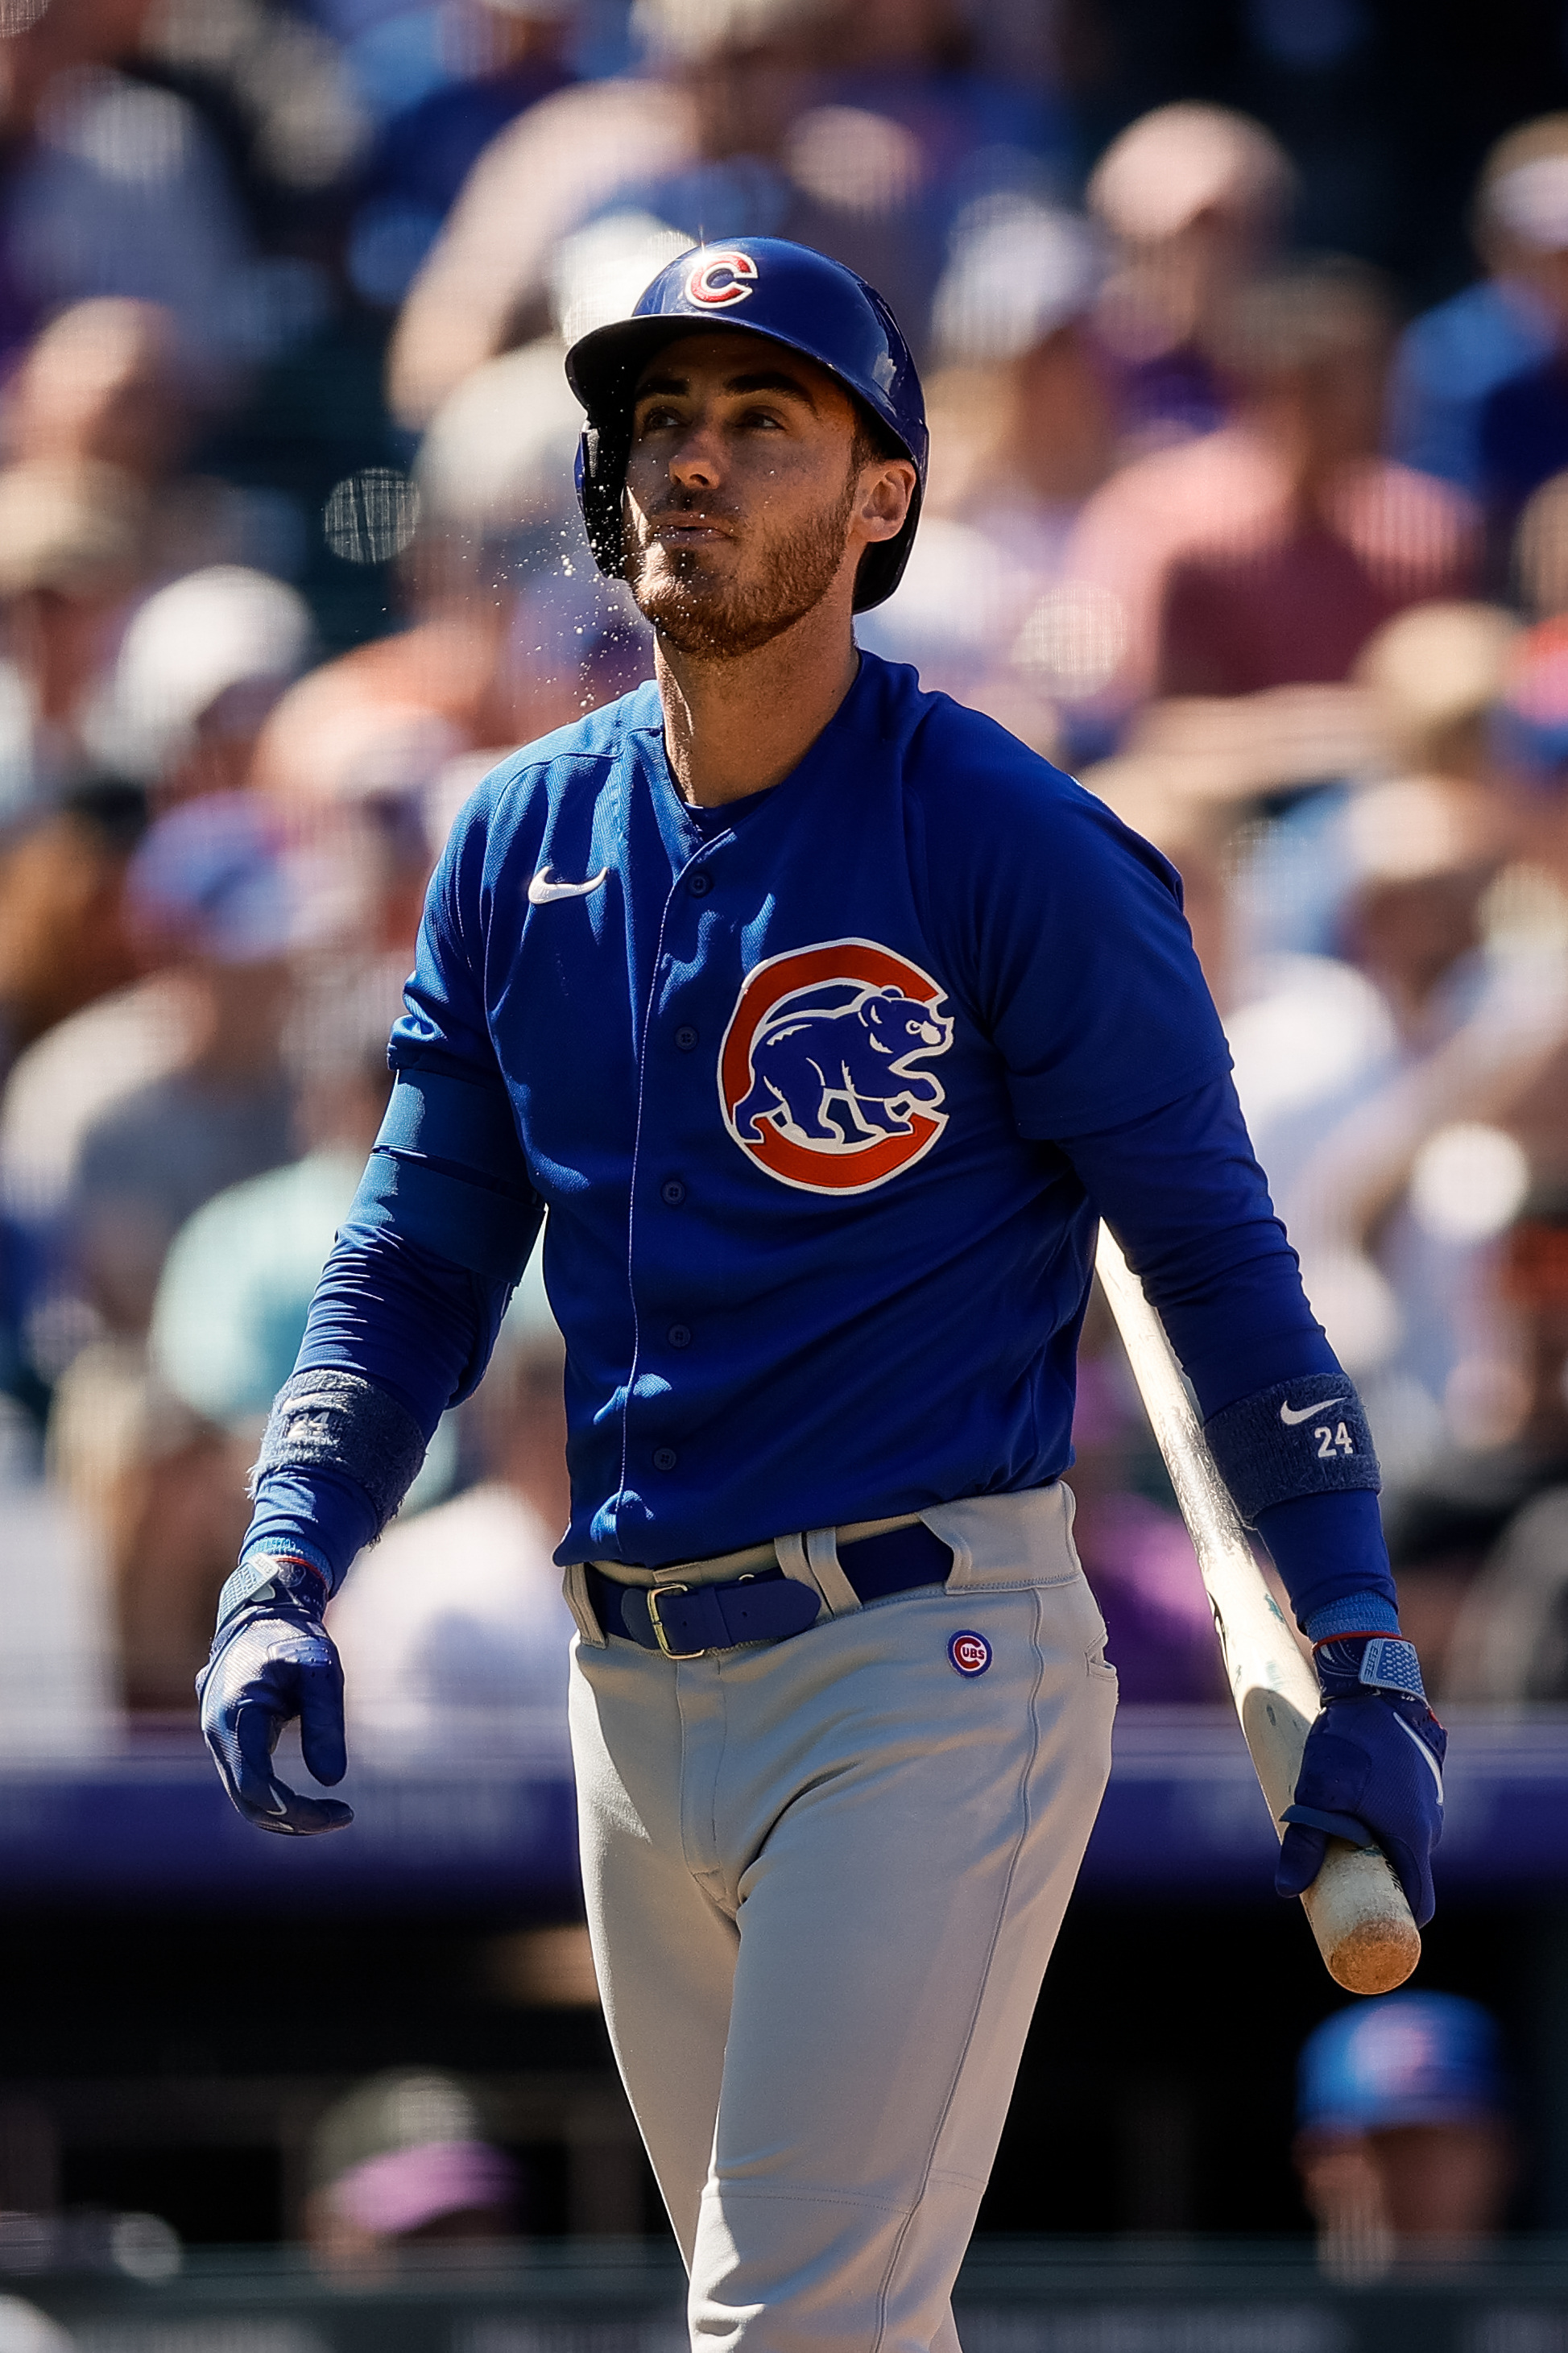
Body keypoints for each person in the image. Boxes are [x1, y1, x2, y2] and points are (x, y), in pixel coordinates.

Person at [196, 239, 1445, 2353]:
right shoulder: (519, 839)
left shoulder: (1010, 842)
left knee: (782, 2334)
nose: (693, 462)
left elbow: (1213, 1261)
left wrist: (1353, 1635)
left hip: (918, 1662)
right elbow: (415, 1246)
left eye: (760, 421)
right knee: (841, 2328)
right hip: (631, 1687)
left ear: (883, 496)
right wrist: (282, 1558)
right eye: (659, 423)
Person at [1294, 1993, 1512, 2272]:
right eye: (1383, 2148)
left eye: (1438, 2146)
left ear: (1504, 2157)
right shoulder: (1250, 2314)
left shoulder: (1554, 2314)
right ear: (1313, 2166)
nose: (1413, 2177)